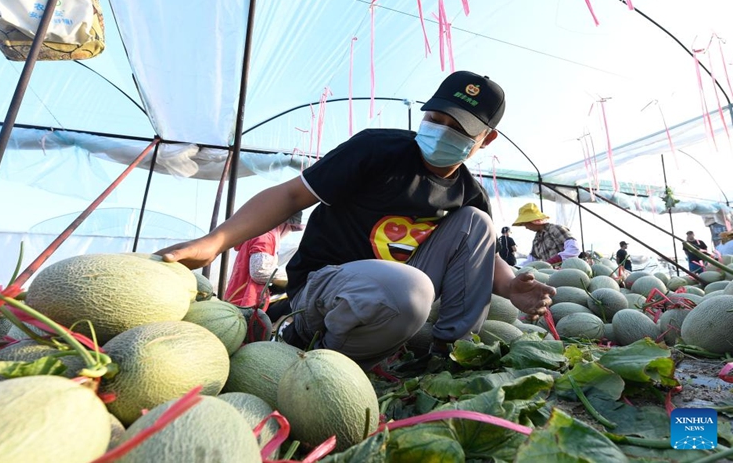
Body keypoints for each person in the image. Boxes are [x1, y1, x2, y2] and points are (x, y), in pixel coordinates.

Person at [157, 70, 556, 370]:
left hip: (398, 293)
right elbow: (290, 195)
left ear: (486, 139)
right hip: (325, 283)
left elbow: (478, 253)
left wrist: (509, 285)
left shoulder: (468, 192)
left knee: (476, 224)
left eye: (460, 129)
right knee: (410, 289)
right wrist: (214, 242)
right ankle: (308, 347)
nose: (442, 131)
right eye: (437, 118)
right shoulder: (377, 151)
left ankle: (447, 355)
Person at [223, 212, 305, 307]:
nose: (288, 232)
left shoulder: (258, 233)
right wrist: (294, 276)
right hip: (248, 300)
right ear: (283, 223)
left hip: (239, 298)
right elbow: (259, 271)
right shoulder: (266, 237)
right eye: (290, 228)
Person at [513, 203, 580, 265]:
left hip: (568, 268)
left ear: (533, 221)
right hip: (551, 274)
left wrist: (556, 259)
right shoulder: (536, 240)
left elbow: (574, 248)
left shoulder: (555, 229)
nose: (526, 227)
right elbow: (531, 261)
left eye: (526, 223)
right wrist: (517, 268)